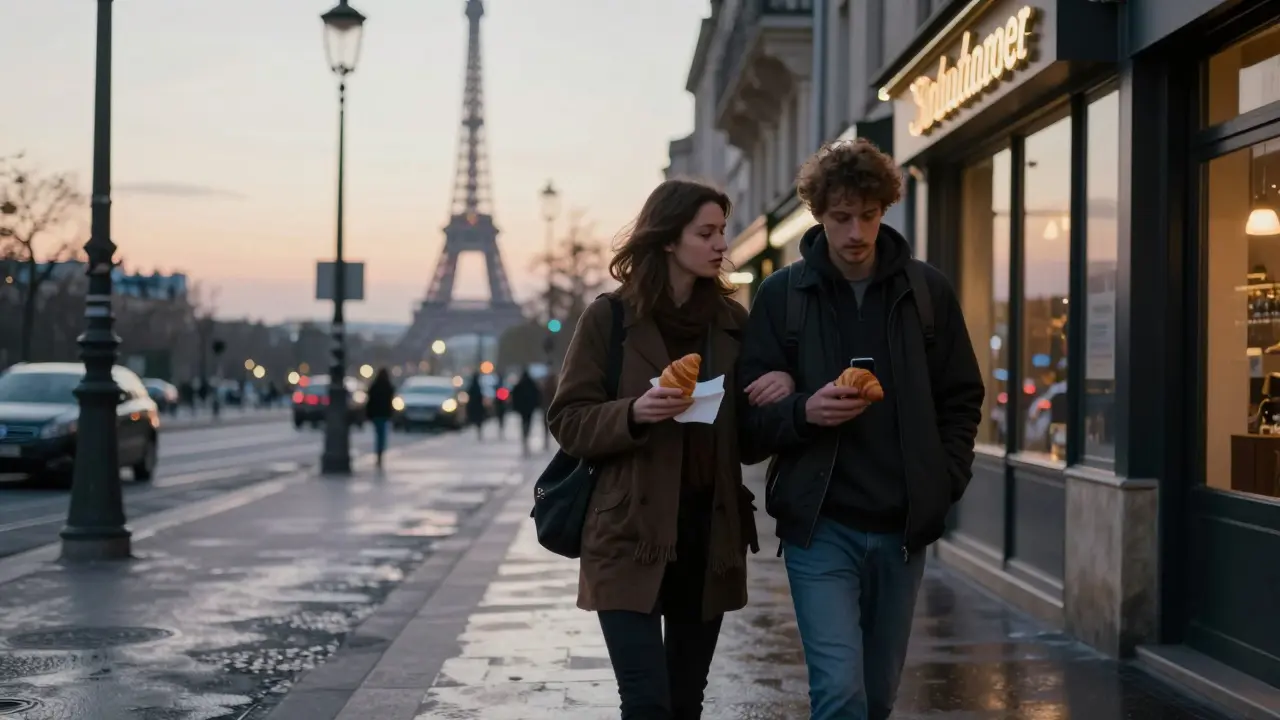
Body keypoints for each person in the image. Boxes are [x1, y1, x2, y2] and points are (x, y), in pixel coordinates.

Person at [737, 138, 985, 720]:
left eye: (868, 216)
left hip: (902, 529)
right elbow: (747, 427)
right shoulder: (782, 296)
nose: (856, 232)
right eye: (841, 217)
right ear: (818, 214)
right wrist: (803, 412)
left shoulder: (926, 292)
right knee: (840, 693)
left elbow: (961, 398)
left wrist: (943, 481)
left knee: (877, 697)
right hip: (819, 528)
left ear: (885, 209)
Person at [548, 179, 793, 720]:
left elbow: (751, 440)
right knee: (646, 703)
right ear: (666, 239)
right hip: (627, 534)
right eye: (706, 233)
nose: (721, 244)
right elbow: (567, 420)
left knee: (685, 703)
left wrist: (781, 392)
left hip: (708, 534)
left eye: (722, 231)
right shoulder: (609, 318)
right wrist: (634, 412)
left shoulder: (733, 323)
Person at [365, 368, 395, 467]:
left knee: (378, 434)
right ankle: (380, 452)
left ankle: (379, 453)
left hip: (376, 414)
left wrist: (368, 413)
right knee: (382, 435)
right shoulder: (388, 387)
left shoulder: (374, 386)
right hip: (384, 414)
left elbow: (370, 400)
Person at [511, 368, 542, 456]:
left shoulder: (519, 384)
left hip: (522, 407)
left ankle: (524, 434)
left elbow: (514, 395)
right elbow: (537, 394)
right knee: (529, 421)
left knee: (523, 420)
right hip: (530, 407)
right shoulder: (532, 384)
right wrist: (536, 405)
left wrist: (516, 406)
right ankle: (527, 432)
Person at [466, 373, 486, 440]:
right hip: (477, 406)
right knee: (478, 419)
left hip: (474, 405)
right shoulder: (478, 387)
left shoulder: (472, 386)